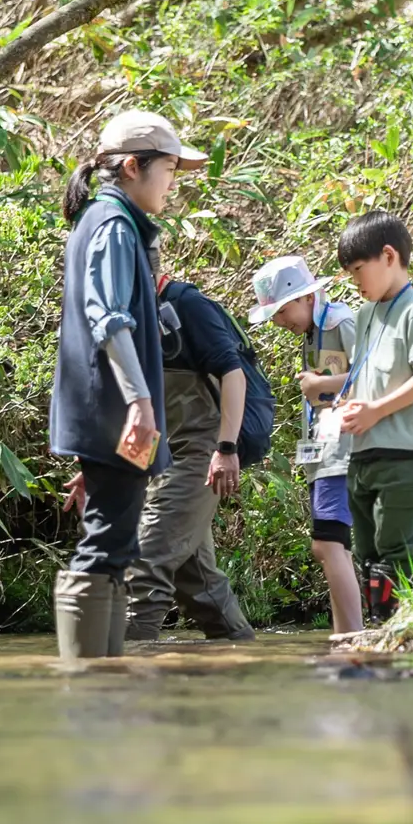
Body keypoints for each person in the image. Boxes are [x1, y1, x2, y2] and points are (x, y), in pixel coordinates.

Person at [49, 110, 204, 662]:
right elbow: (109, 318)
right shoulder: (114, 224)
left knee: (114, 540)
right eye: (169, 169)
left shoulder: (105, 221)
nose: (173, 182)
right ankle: (88, 681)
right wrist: (139, 401)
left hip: (104, 413)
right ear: (133, 167)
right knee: (107, 542)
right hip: (115, 410)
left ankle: (103, 674)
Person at [122, 275, 254, 642]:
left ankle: (119, 679)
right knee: (197, 584)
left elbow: (233, 374)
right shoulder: (124, 316)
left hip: (201, 451)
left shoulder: (187, 305)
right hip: (161, 455)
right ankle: (240, 657)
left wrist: (226, 449)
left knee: (145, 562)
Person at [329, 211, 413, 621]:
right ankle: (380, 634)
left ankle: (405, 635)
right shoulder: (364, 314)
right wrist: (352, 404)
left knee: (398, 553)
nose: (355, 282)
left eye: (359, 270)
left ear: (390, 256)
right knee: (367, 554)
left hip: (405, 455)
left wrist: (376, 410)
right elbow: (366, 375)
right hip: (363, 454)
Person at [249, 254, 364, 635]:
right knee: (332, 547)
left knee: (327, 545)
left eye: (283, 312)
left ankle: (350, 635)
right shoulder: (312, 333)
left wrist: (321, 385)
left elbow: (373, 373)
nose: (281, 323)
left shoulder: (340, 321)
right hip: (323, 450)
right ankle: (344, 632)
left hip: (344, 450)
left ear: (307, 298)